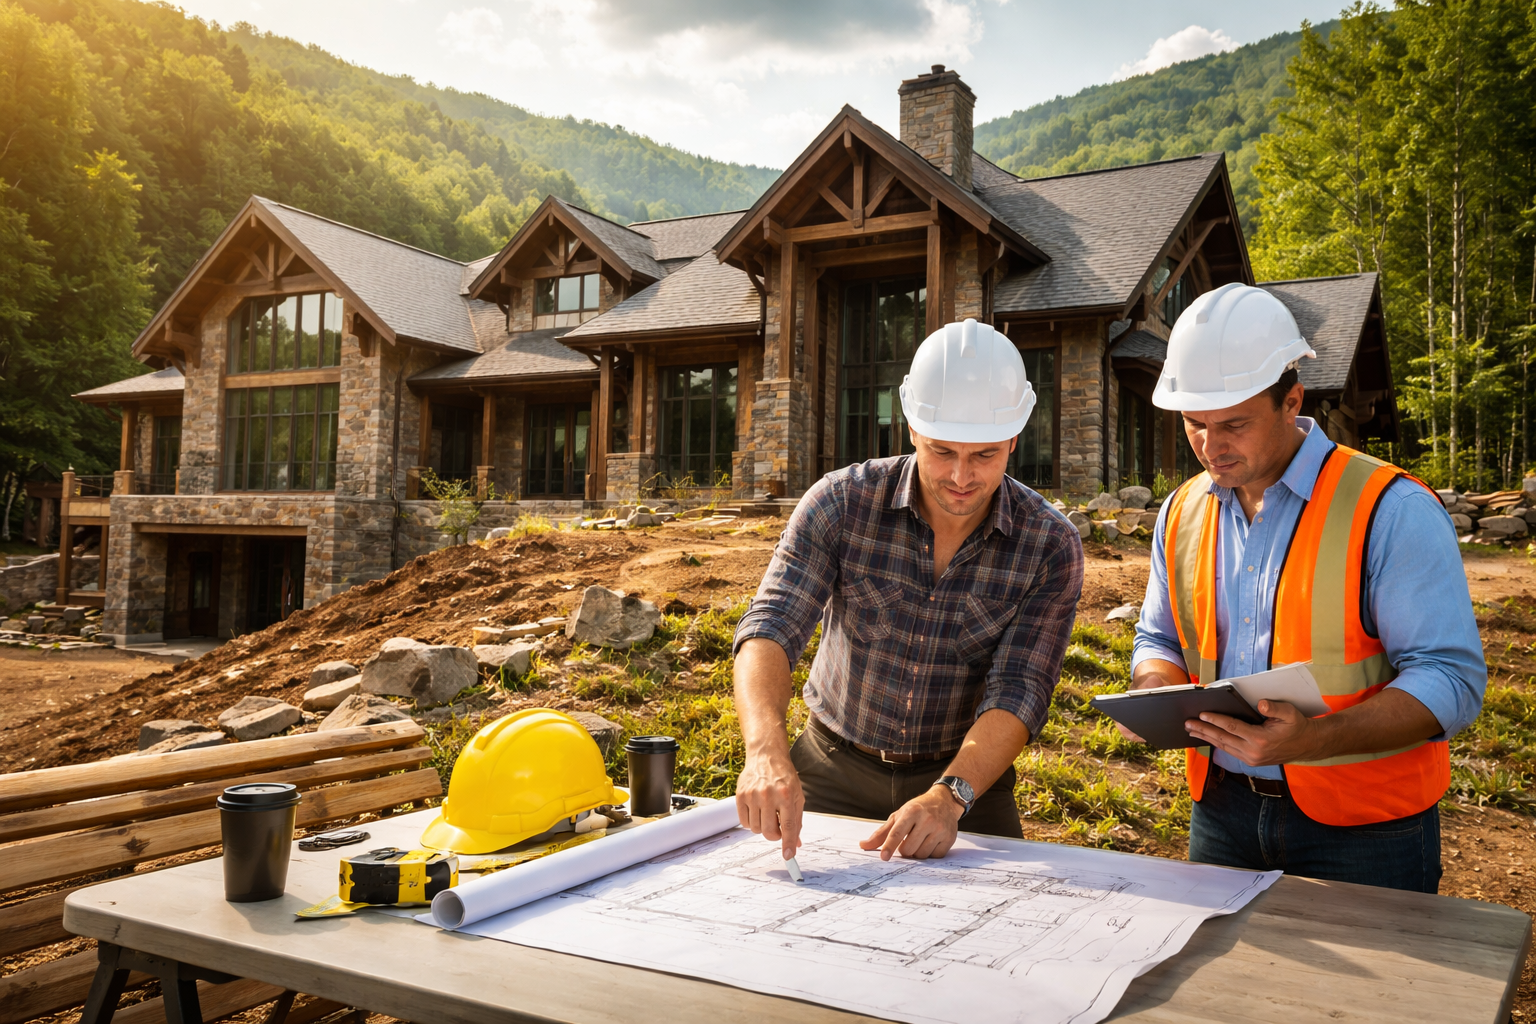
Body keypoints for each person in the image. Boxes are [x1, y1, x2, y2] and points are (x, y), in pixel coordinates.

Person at [1128, 282, 1485, 893]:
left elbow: (1450, 680)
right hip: (1221, 812)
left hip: (1368, 828)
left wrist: (1314, 738)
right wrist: (1155, 688)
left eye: (1233, 424)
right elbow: (1157, 634)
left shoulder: (1390, 509)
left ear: (1291, 401)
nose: (1211, 447)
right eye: (1194, 424)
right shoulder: (1181, 512)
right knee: (1224, 989)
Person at [732, 318, 1085, 862]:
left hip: (964, 782)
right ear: (913, 427)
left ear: (1014, 438)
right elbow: (772, 626)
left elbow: (1020, 688)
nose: (962, 476)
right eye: (943, 451)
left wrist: (951, 796)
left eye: (985, 455)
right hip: (830, 768)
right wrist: (763, 752)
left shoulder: (1049, 544)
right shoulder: (840, 502)